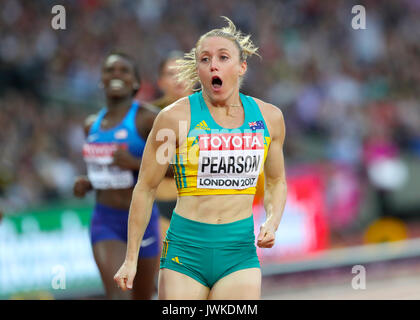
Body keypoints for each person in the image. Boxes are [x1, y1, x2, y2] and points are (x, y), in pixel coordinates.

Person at [114, 17, 287, 300]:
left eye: (223, 57)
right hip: (186, 251)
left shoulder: (270, 118)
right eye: (205, 59)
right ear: (198, 70)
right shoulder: (173, 118)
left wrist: (272, 220)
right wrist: (131, 258)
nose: (213, 65)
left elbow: (278, 180)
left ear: (241, 67)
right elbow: (145, 187)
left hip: (238, 252)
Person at [73, 52, 161, 299]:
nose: (116, 75)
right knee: (119, 294)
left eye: (124, 71)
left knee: (141, 296)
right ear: (101, 79)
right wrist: (87, 183)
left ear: (135, 82)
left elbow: (175, 171)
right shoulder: (91, 124)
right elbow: (104, 173)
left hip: (143, 221)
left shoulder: (149, 118)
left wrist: (134, 163)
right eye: (110, 70)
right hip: (105, 220)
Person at [151, 51, 193, 245]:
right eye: (170, 73)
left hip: (200, 204)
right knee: (168, 269)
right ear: (160, 82)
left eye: (183, 71)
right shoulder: (147, 117)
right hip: (161, 205)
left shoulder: (213, 112)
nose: (178, 78)